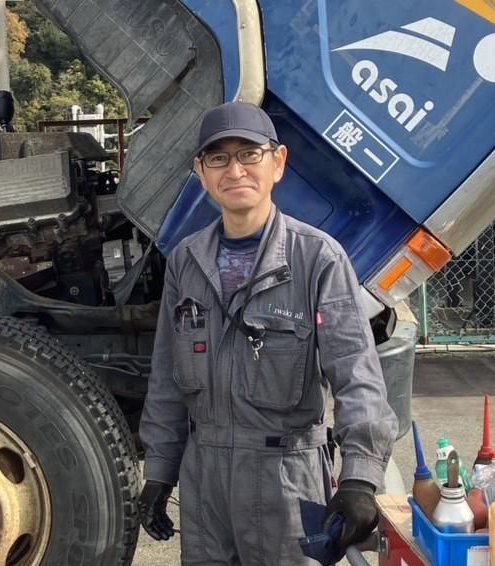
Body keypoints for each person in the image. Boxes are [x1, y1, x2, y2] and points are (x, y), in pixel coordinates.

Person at [138, 101, 399, 565]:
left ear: (278, 163)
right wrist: (159, 472)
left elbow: (356, 372)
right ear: (201, 172)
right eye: (218, 158)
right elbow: (167, 378)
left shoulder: (317, 259)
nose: (234, 170)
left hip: (287, 482)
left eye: (249, 154)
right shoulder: (184, 261)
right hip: (206, 485)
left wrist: (359, 478)